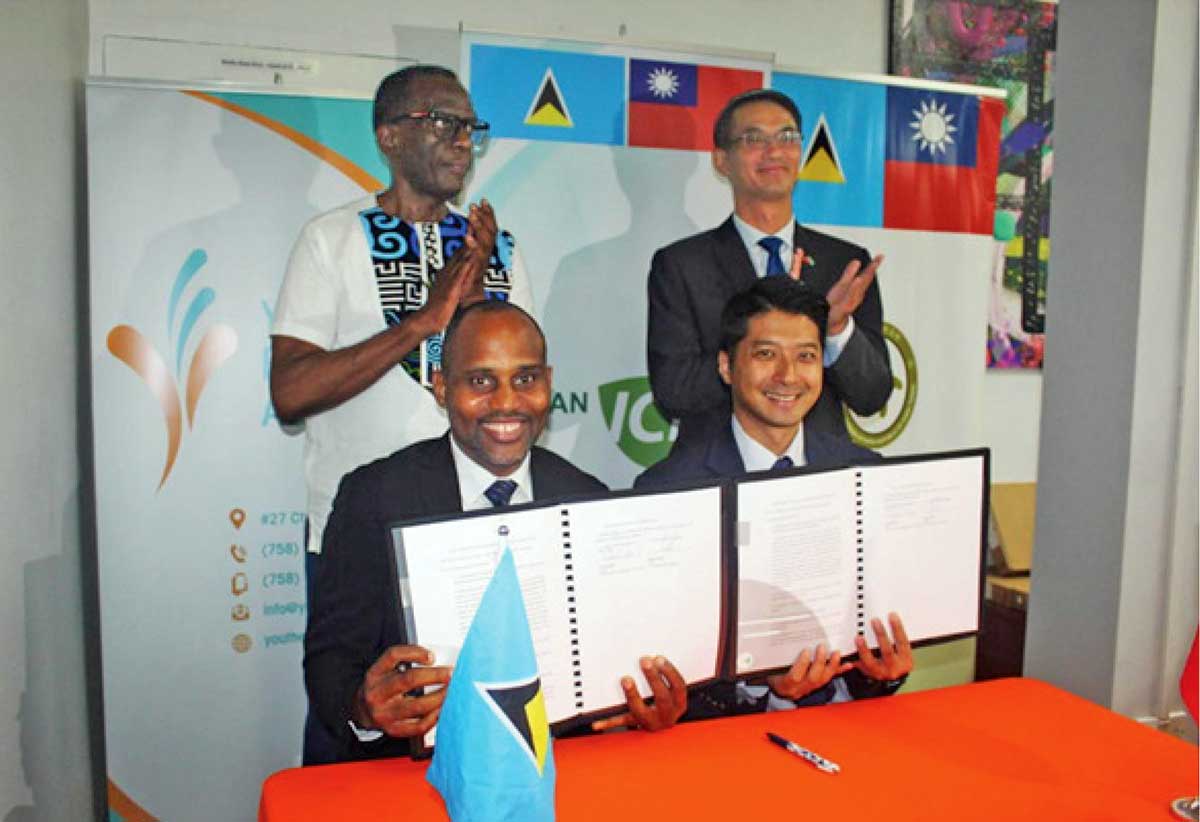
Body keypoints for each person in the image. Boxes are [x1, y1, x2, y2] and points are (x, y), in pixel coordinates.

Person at [305, 301, 687, 762]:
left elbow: (612, 671)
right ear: (442, 388)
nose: (507, 402)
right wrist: (364, 710)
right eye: (480, 381)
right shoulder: (373, 498)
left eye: (525, 379)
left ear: (548, 383)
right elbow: (330, 661)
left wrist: (645, 708)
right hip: (415, 774)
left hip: (553, 772)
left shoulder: (587, 499)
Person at [270, 64, 533, 559]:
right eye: (442, 122)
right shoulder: (331, 238)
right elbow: (290, 393)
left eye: (470, 128)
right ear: (389, 137)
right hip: (359, 532)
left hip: (478, 527)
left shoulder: (497, 250)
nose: (462, 142)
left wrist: (474, 301)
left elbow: (517, 387)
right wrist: (421, 323)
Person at [638, 277, 912, 716]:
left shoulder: (864, 474)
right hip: (728, 747)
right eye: (766, 355)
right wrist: (758, 690)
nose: (788, 376)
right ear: (727, 367)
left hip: (850, 726)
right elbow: (665, 664)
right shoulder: (667, 492)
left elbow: (875, 617)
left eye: (806, 356)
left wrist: (883, 671)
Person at [647, 88, 892, 447]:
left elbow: (872, 396)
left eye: (787, 137)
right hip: (719, 472)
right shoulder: (682, 266)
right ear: (721, 160)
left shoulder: (844, 263)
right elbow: (673, 393)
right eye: (753, 138)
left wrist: (835, 329)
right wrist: (759, 344)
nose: (774, 151)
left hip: (819, 473)